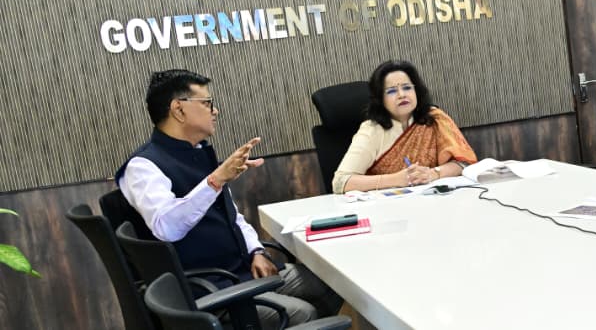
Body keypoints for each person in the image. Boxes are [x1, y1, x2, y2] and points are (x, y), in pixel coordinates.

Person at [116, 70, 338, 327]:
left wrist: (256, 250)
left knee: (333, 280)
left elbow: (233, 217)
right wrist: (215, 180)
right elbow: (167, 227)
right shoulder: (143, 166)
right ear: (179, 109)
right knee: (303, 313)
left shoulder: (198, 152)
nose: (215, 111)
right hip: (210, 289)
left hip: (242, 271)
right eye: (207, 103)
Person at [332, 60, 478, 193]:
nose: (401, 95)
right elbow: (340, 182)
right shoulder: (372, 130)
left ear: (416, 91)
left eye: (407, 88)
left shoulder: (435, 118)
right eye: (391, 91)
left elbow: (464, 163)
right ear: (380, 99)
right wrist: (397, 179)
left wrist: (433, 173)